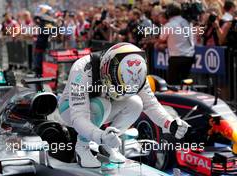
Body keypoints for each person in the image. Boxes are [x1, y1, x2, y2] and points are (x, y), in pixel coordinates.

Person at [58, 42, 190, 168]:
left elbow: (150, 104)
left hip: (103, 108)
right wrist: (100, 136)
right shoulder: (82, 69)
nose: (122, 94)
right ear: (106, 71)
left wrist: (170, 123)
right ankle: (82, 148)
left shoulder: (137, 74)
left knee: (136, 102)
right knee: (102, 104)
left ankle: (108, 145)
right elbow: (78, 117)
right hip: (70, 109)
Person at [158, 3, 195, 85]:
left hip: (176, 57)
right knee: (185, 82)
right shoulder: (188, 22)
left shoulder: (169, 25)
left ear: (168, 13)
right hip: (189, 57)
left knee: (173, 83)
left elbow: (161, 39)